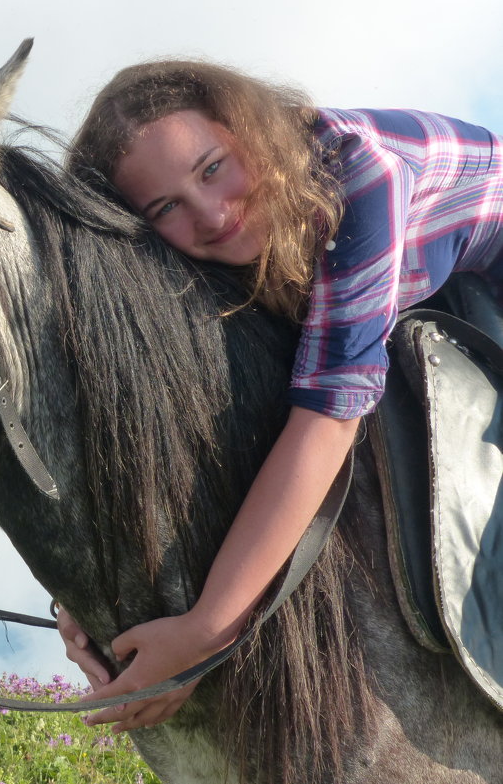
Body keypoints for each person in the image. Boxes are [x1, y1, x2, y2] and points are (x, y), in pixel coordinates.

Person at [58, 59, 503, 733]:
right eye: (164, 208)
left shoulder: (361, 180)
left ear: (249, 131)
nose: (210, 213)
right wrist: (86, 594)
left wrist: (207, 629)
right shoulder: (227, 239)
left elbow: (329, 418)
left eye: (212, 167)